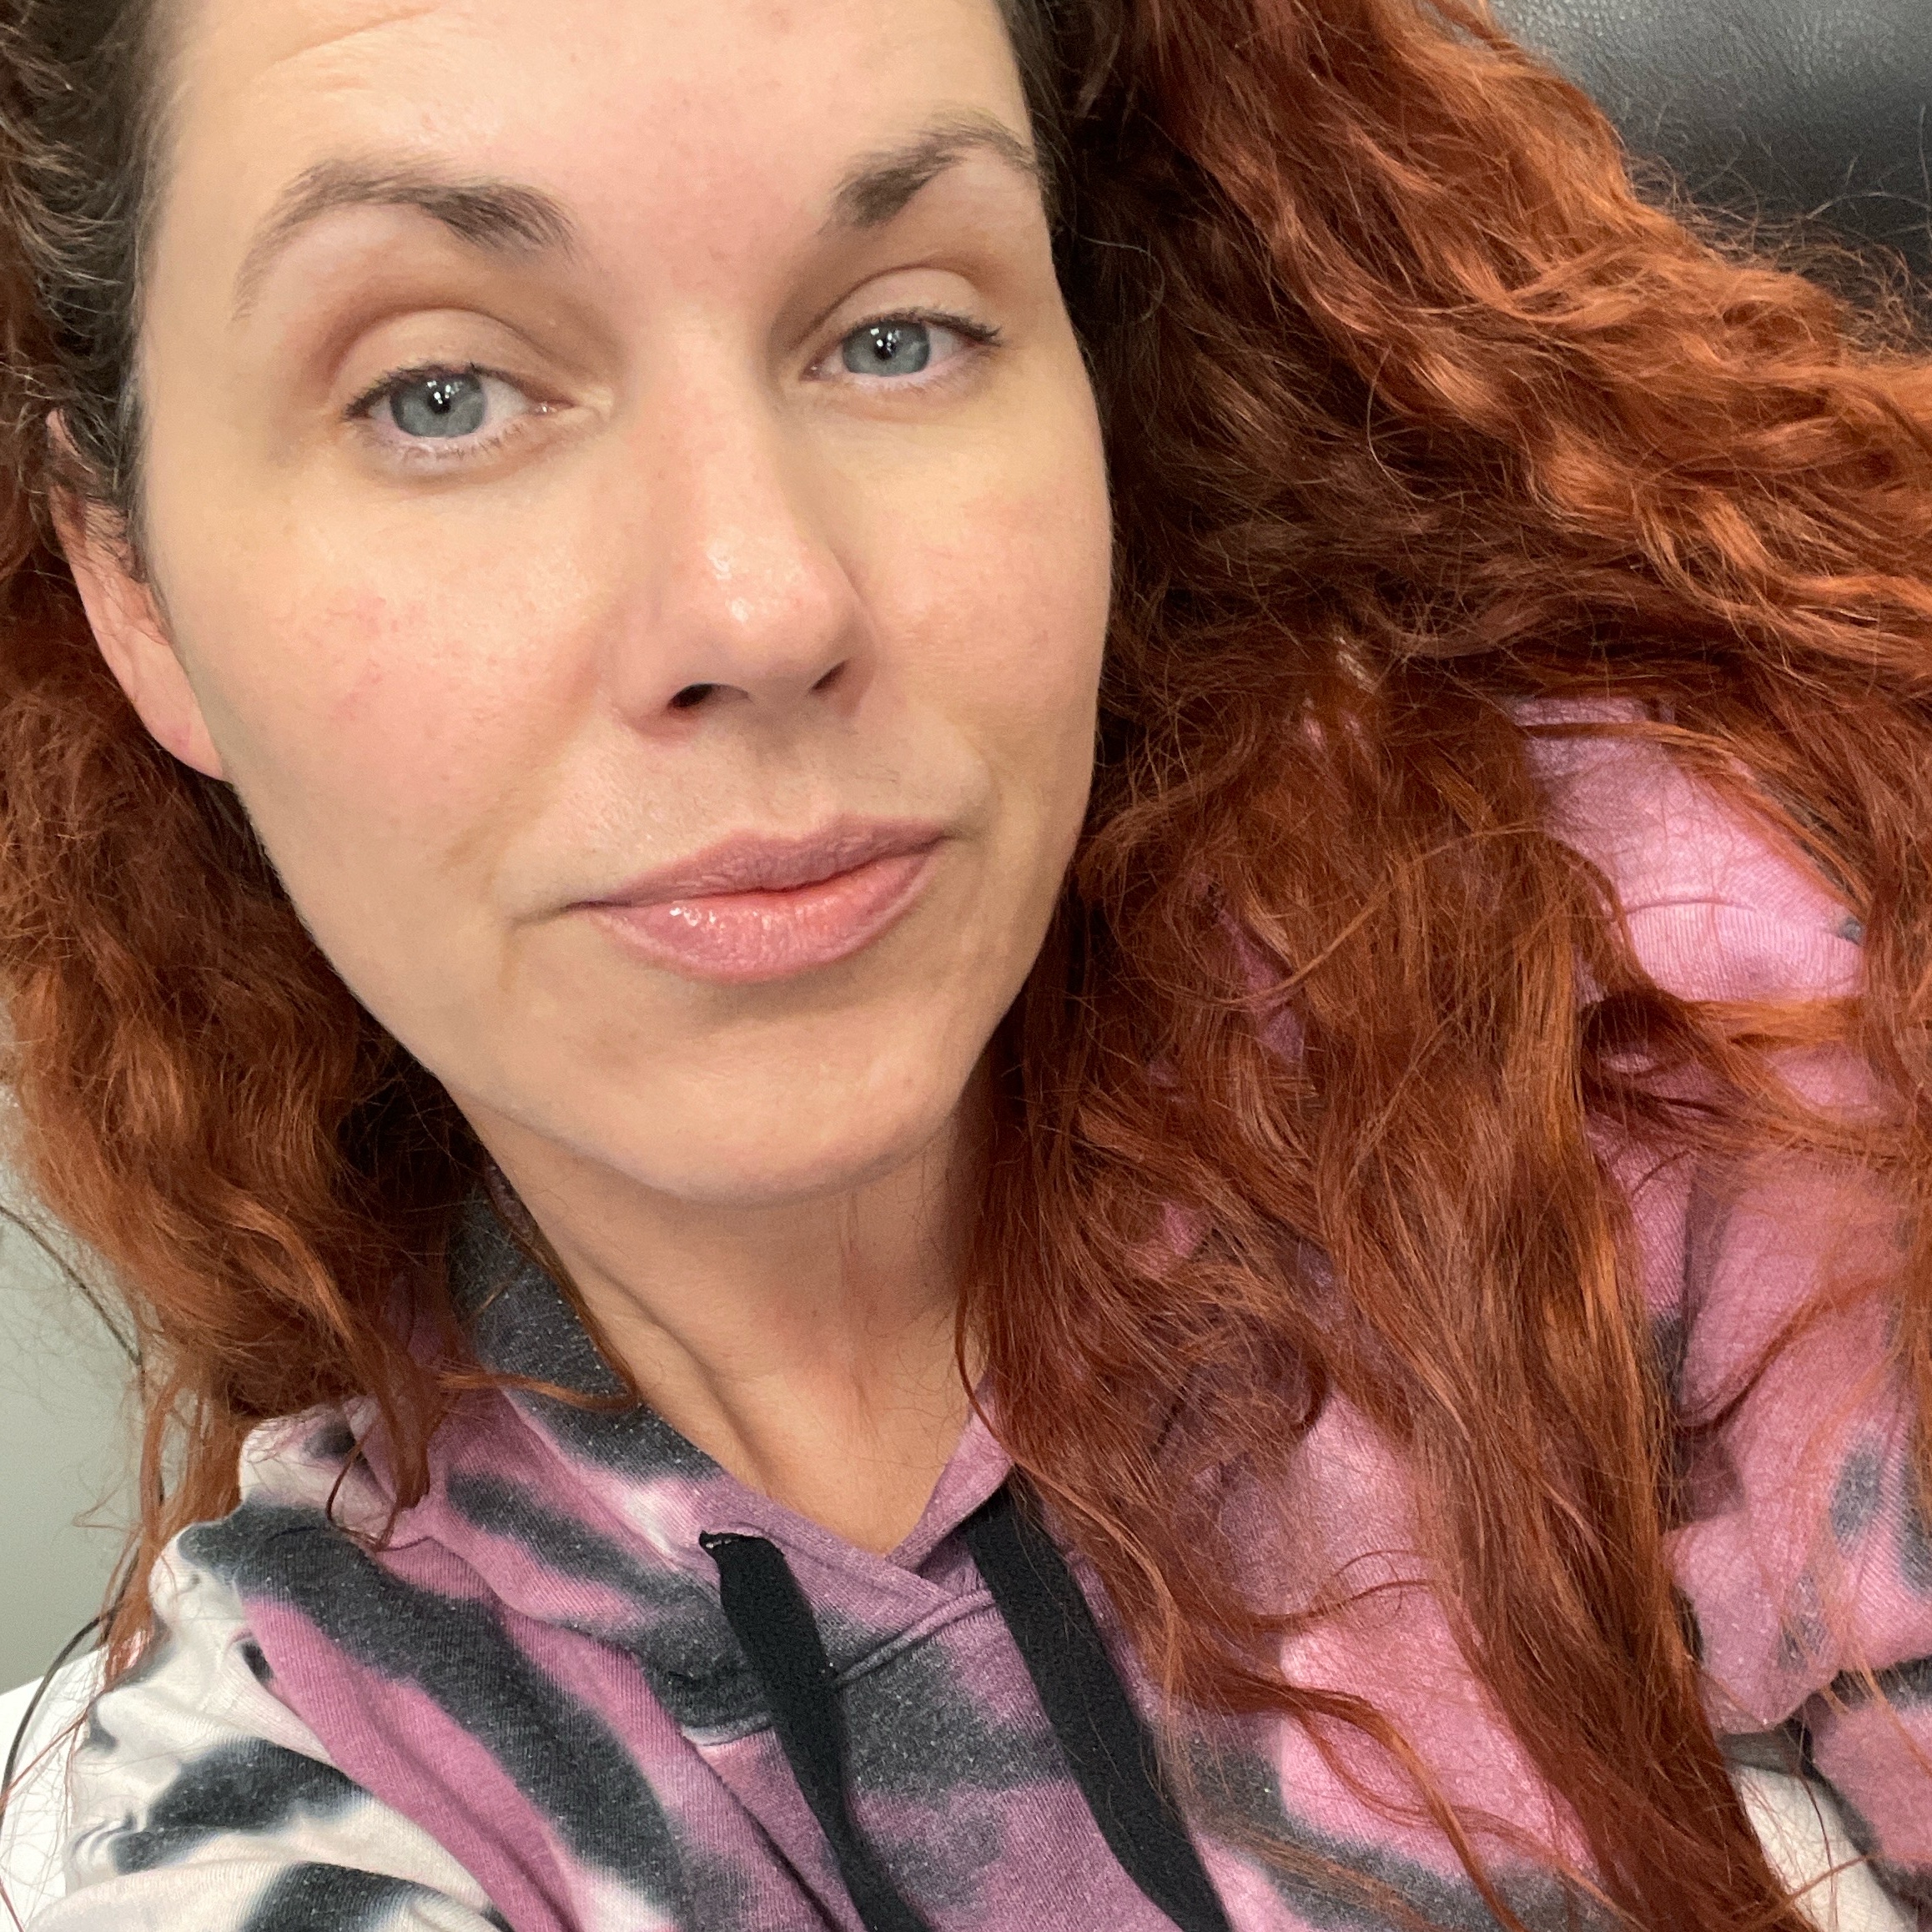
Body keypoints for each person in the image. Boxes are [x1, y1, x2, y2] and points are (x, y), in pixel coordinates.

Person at [0, 0, 1927, 1924]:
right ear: (132, 586)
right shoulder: (310, 1767)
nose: (762, 606)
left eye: (897, 334)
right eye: (440, 393)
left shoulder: (1628, 999)